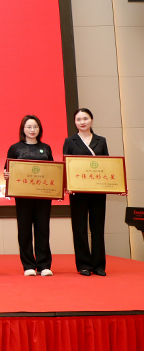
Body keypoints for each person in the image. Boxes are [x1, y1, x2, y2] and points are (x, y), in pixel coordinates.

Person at [4, 115, 54, 276]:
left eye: (35, 127)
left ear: (40, 129)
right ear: (23, 129)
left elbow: (53, 171)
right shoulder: (15, 148)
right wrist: (6, 175)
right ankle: (28, 265)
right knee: (24, 230)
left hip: (43, 196)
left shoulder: (46, 148)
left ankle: (44, 265)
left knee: (43, 229)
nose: (32, 130)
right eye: (29, 127)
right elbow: (7, 169)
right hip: (23, 196)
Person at [63, 108, 109, 276]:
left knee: (98, 227)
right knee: (79, 228)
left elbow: (108, 165)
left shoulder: (101, 141)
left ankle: (99, 265)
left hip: (98, 191)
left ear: (91, 120)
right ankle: (83, 264)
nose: (82, 122)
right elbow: (66, 166)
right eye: (78, 119)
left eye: (85, 118)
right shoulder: (70, 141)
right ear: (75, 122)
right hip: (78, 192)